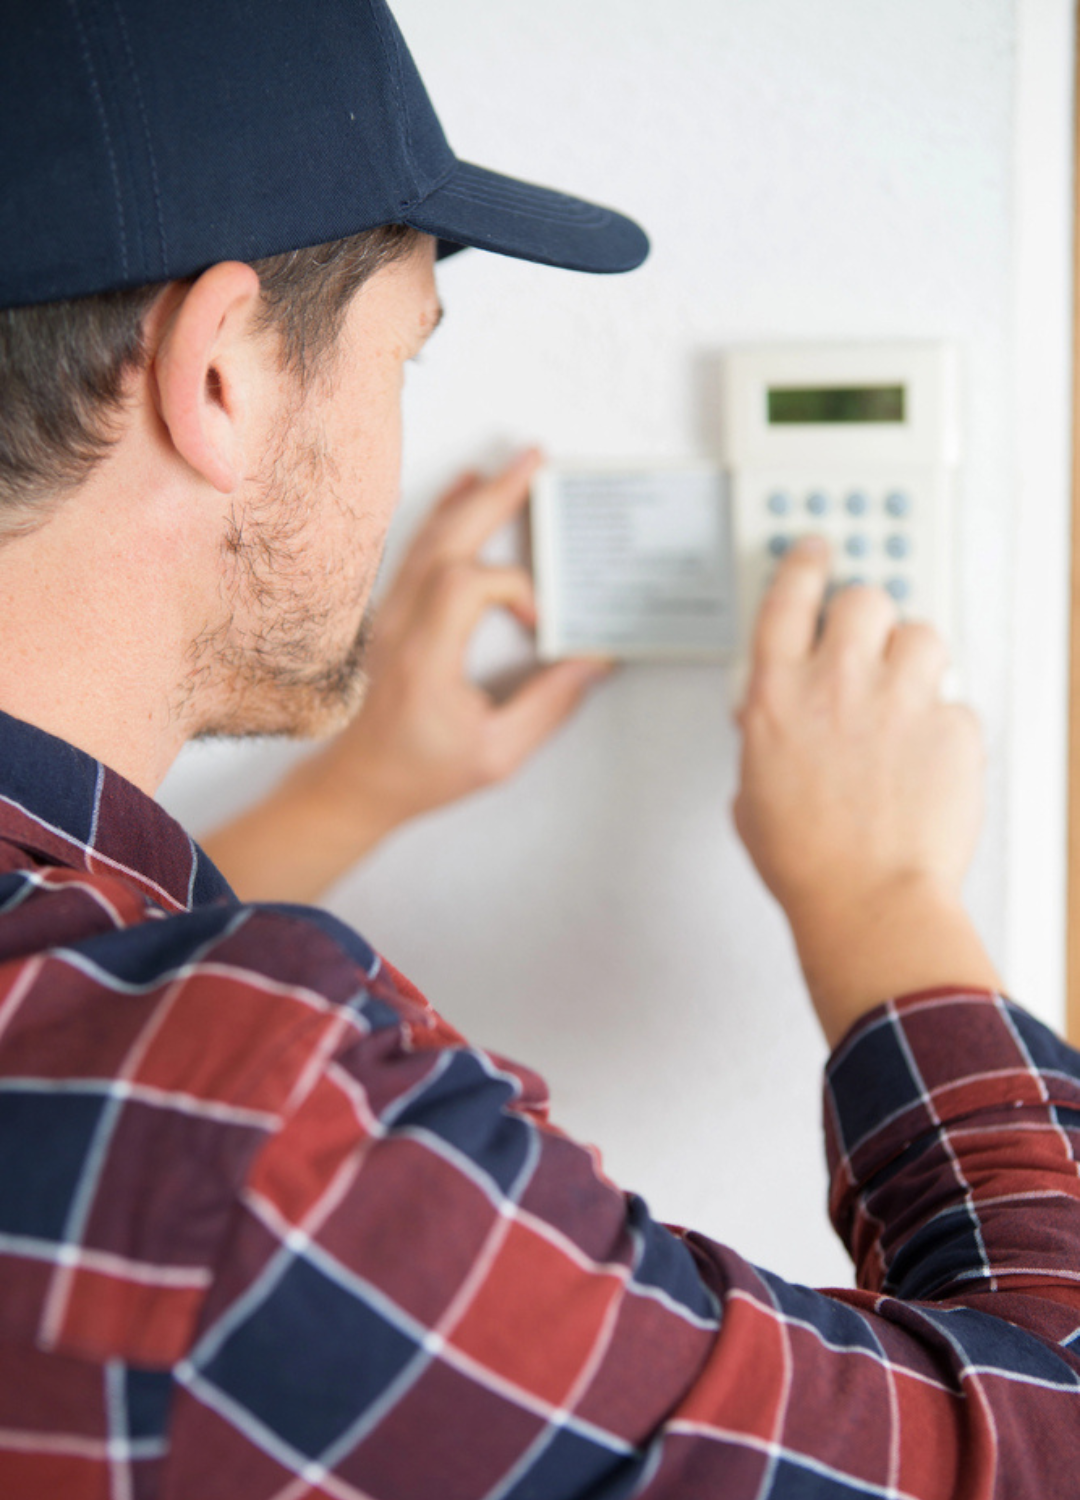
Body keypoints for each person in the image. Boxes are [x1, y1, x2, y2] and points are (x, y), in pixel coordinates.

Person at [1, 0, 1079, 1496]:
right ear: (223, 373)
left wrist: (364, 784)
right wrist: (886, 899)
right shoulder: (272, 1133)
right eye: (408, 353)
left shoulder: (126, 1070)